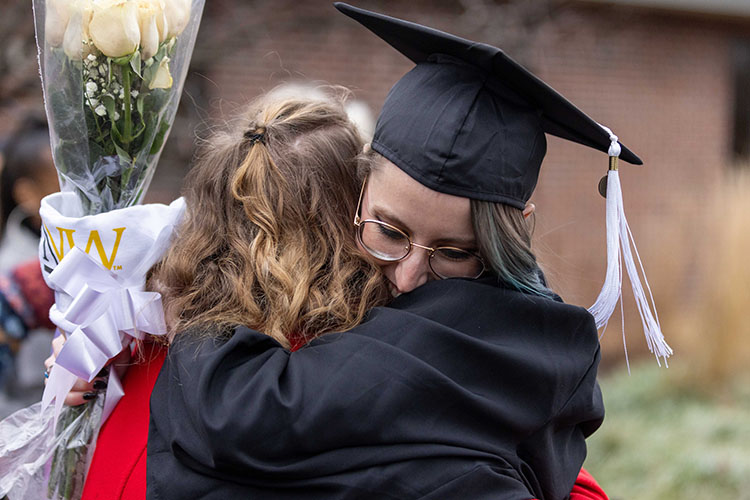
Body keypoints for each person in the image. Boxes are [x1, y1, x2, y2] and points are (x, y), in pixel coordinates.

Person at [146, 4, 638, 499]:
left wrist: (188, 306)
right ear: (354, 191)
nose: (406, 278)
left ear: (512, 235)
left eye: (452, 253)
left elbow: (242, 410)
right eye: (388, 230)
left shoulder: (454, 336)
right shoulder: (539, 346)